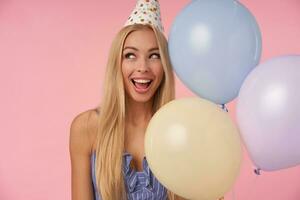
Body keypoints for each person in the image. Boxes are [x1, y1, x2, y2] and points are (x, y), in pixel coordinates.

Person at [69, 0, 226, 199]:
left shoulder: (183, 129)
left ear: (165, 66)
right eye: (130, 55)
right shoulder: (86, 128)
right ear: (117, 63)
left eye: (154, 55)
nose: (143, 67)